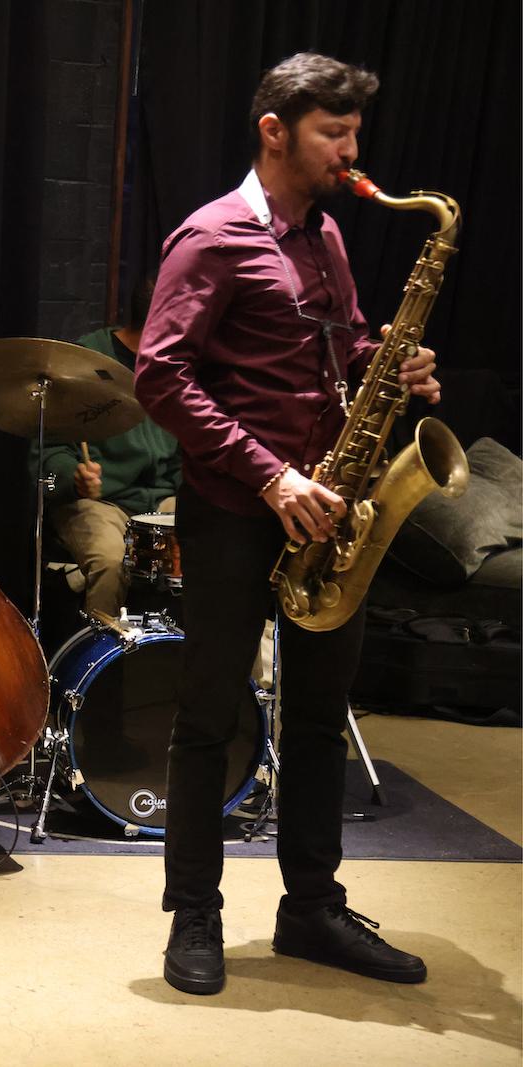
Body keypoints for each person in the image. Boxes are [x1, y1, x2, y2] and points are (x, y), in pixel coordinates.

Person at [135, 53, 441, 995]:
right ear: (275, 131)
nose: (352, 153)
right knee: (208, 717)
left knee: (315, 719)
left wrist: (389, 363)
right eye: (333, 134)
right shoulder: (211, 237)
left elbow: (339, 342)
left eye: (355, 134)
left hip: (330, 512)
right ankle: (195, 912)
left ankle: (310, 907)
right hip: (239, 508)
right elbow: (159, 374)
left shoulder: (328, 237)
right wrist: (272, 478)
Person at [29, 275, 179, 620]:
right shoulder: (85, 362)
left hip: (159, 501)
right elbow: (43, 472)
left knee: (220, 547)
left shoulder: (173, 367)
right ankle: (101, 668)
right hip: (99, 503)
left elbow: (184, 458)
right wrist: (72, 479)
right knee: (113, 561)